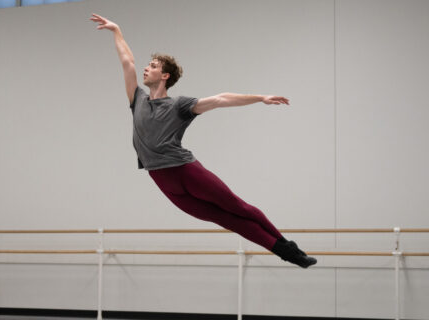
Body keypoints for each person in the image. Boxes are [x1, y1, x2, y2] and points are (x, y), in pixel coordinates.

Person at [90, 14, 316, 268]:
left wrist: (260, 97)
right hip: (162, 181)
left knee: (239, 208)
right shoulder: (137, 99)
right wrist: (117, 31)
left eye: (153, 65)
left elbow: (220, 99)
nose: (146, 67)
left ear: (165, 76)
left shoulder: (179, 104)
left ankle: (288, 248)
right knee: (228, 221)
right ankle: (288, 253)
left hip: (186, 171)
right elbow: (127, 62)